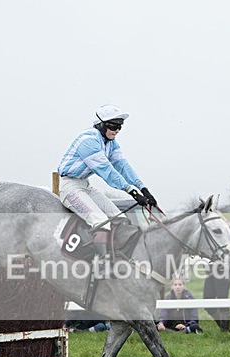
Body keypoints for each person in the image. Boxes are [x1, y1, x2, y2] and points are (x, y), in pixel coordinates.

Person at [57, 104, 157, 256]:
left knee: (121, 219)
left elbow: (123, 167)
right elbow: (107, 171)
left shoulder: (111, 144)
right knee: (101, 221)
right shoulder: (88, 141)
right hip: (70, 187)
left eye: (120, 127)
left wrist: (143, 189)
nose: (116, 130)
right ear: (101, 125)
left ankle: (119, 257)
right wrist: (132, 192)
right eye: (113, 126)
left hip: (85, 186)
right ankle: (102, 262)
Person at [202, 211, 230, 332]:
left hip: (223, 269)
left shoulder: (225, 229)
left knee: (222, 299)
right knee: (207, 301)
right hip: (211, 269)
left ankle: (225, 329)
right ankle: (223, 327)